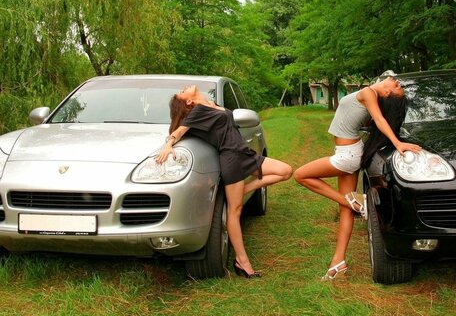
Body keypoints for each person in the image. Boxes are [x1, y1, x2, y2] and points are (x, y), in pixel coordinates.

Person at [155, 85, 292, 278]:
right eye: (182, 91)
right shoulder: (199, 111)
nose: (184, 88)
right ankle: (242, 262)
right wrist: (168, 145)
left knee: (285, 171)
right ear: (188, 101)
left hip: (245, 154)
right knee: (235, 212)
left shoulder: (211, 104)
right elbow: (179, 131)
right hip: (231, 159)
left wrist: (247, 186)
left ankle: (244, 188)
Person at [293, 74, 421, 280]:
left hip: (347, 156)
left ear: (387, 92)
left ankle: (359, 205)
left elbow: (379, 120)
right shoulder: (369, 96)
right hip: (351, 151)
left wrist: (398, 143)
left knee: (300, 175)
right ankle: (338, 262)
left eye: (396, 85)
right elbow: (370, 119)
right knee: (345, 209)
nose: (395, 80)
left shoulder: (368, 93)